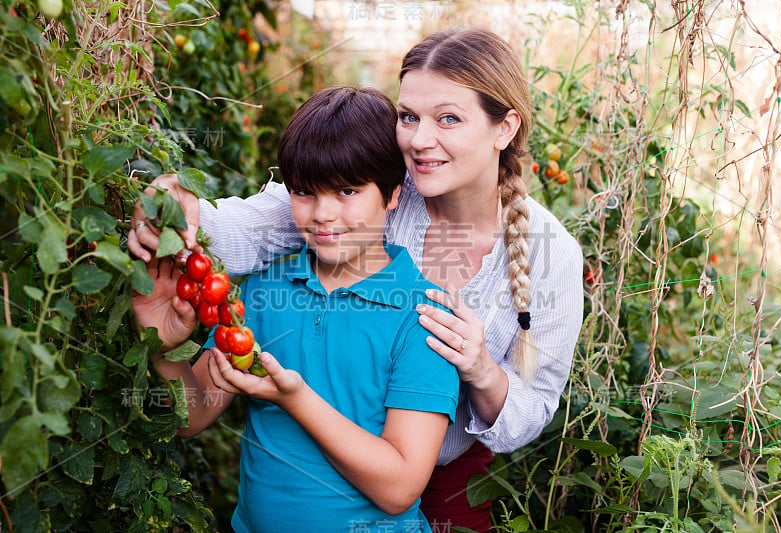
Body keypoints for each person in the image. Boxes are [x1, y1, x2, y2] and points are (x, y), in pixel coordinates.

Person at [129, 27, 584, 532]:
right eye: (408, 117)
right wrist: (173, 210)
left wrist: (480, 370)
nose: (419, 139)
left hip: (443, 471)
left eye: (448, 118)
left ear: (505, 128)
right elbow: (253, 226)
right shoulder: (372, 178)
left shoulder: (548, 256)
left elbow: (534, 404)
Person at [132, 86, 460, 532]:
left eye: (347, 190)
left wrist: (296, 400)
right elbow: (195, 412)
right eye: (305, 191)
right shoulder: (266, 288)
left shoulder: (423, 318)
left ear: (393, 194)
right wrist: (161, 344)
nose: (323, 213)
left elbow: (399, 487)